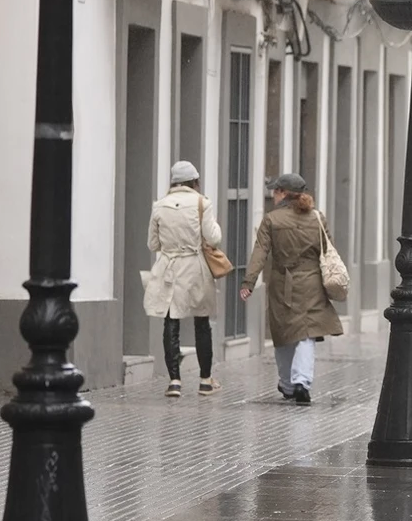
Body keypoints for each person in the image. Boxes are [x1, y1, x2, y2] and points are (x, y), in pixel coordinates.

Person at [239, 173, 344, 404]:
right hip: (312, 282)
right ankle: (302, 382)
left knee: (284, 334)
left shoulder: (272, 220)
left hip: (282, 283)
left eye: (275, 191)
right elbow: (329, 250)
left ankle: (287, 384)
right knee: (306, 334)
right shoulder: (317, 218)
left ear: (283, 193)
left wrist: (249, 282)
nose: (273, 195)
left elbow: (260, 253)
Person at [145, 160, 223, 398]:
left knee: (171, 321)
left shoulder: (159, 206)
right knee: (201, 322)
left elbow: (152, 244)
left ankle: (175, 381)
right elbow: (214, 237)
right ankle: (205, 380)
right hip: (195, 267)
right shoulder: (202, 203)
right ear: (194, 181)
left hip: (169, 267)